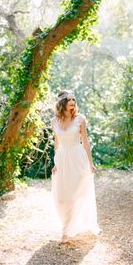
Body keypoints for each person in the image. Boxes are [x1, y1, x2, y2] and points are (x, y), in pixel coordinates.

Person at [50, 89, 101, 243]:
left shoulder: (80, 119)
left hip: (78, 158)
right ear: (62, 103)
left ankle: (66, 230)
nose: (72, 103)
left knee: (75, 193)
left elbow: (85, 142)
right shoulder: (54, 121)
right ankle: (67, 225)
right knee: (61, 195)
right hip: (63, 159)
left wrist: (90, 163)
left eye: (74, 100)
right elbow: (57, 143)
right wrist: (55, 163)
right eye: (69, 100)